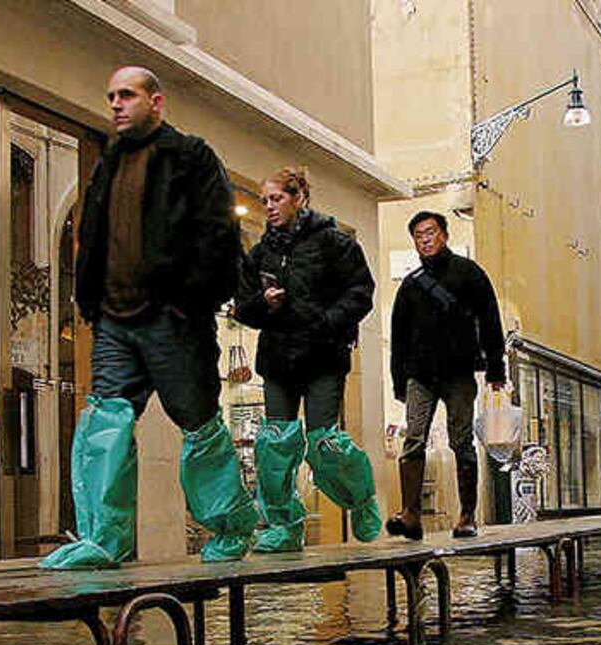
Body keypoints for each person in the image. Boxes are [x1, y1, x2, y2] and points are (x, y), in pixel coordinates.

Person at [41, 66, 257, 569]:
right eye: (111, 95)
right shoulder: (107, 164)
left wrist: (191, 301)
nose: (116, 104)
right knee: (105, 423)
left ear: (156, 102)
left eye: (127, 95)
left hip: (172, 317)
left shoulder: (191, 157)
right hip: (114, 318)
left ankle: (231, 524)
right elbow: (91, 238)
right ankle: (103, 538)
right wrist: (90, 302)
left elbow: (219, 237)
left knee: (198, 422)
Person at [233, 167, 379, 552]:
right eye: (265, 200)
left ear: (299, 198)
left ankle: (361, 500)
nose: (269, 207)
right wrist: (263, 304)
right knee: (273, 446)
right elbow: (243, 307)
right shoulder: (261, 252)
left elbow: (362, 291)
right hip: (278, 358)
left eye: (277, 198)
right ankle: (284, 526)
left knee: (324, 443)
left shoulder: (334, 242)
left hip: (323, 357)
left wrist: (328, 322)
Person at [387, 211, 506, 539]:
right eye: (418, 236)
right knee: (413, 441)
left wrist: (496, 368)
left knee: (461, 441)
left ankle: (467, 514)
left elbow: (491, 320)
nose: (425, 240)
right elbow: (398, 337)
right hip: (420, 376)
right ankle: (410, 513)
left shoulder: (469, 274)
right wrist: (399, 380)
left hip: (459, 373)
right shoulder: (410, 286)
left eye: (430, 233)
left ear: (445, 235)